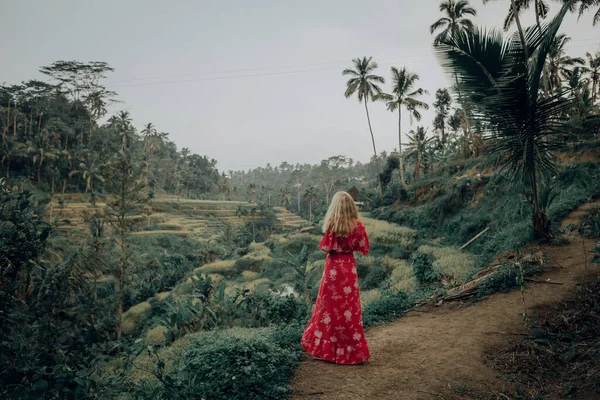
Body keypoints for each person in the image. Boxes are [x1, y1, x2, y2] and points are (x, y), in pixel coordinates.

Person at [301, 191, 370, 365]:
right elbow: (362, 247)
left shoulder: (333, 226)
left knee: (328, 309)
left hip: (333, 270)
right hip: (348, 269)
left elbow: (325, 249)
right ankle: (351, 351)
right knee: (349, 309)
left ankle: (329, 351)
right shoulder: (358, 226)